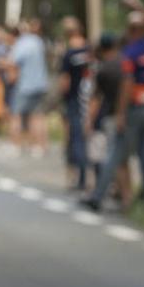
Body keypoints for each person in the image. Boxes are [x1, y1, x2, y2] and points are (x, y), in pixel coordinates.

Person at [82, 0, 144, 211]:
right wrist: (139, 4)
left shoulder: (130, 52)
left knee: (116, 154)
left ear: (131, 31)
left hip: (136, 105)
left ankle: (97, 196)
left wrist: (121, 113)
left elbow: (127, 84)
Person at [86, 32, 131, 205]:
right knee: (123, 159)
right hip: (128, 116)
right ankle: (124, 194)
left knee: (113, 158)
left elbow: (96, 99)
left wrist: (89, 121)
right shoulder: (126, 63)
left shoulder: (104, 69)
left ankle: (105, 195)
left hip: (112, 116)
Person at [7, 19, 49, 158]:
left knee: (16, 115)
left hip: (25, 85)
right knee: (38, 116)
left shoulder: (22, 44)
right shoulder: (38, 42)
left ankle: (15, 145)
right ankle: (39, 146)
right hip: (40, 84)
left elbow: (13, 63)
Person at [58, 17, 91, 191]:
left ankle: (76, 177)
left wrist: (60, 96)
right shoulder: (89, 50)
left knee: (73, 139)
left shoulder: (69, 54)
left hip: (73, 100)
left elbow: (65, 82)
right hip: (89, 99)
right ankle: (88, 177)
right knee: (87, 138)